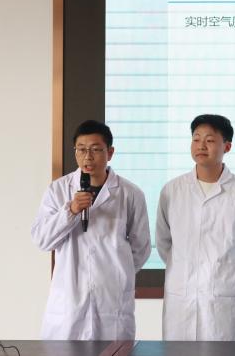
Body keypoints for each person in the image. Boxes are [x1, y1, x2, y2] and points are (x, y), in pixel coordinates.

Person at [31, 120, 151, 340]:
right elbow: (42, 240)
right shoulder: (58, 190)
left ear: (110, 152)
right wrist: (71, 211)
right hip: (69, 302)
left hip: (112, 302)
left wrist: (115, 272)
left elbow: (141, 248)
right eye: (81, 149)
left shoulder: (130, 193)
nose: (88, 157)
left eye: (95, 149)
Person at [156, 114, 235, 340]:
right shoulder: (172, 191)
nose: (201, 146)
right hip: (181, 300)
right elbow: (164, 243)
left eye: (210, 140)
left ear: (227, 146)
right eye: (196, 139)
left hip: (223, 301)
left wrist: (223, 270)